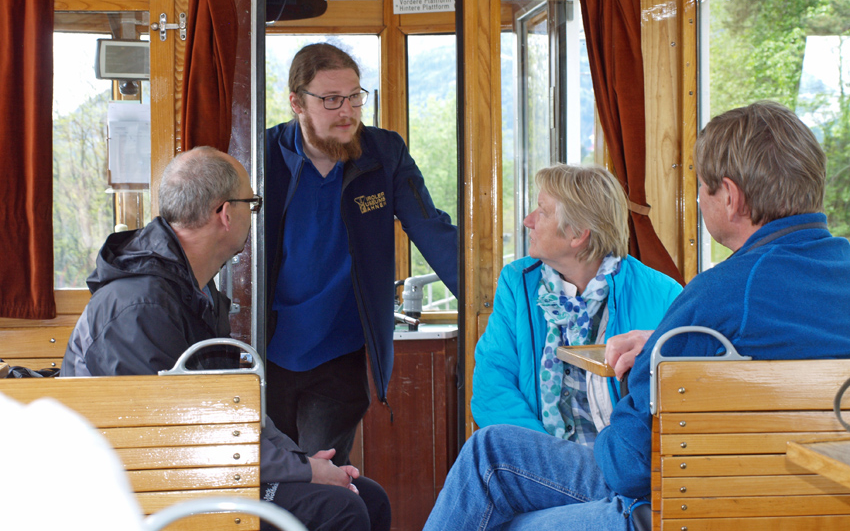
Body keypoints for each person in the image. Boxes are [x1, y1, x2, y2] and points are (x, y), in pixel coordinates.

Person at [422, 100, 850, 531]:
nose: (699, 200)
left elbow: (628, 464)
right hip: (815, 505)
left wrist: (649, 364)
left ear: (731, 197)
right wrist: (664, 345)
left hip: (690, 507)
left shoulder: (718, 295)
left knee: (489, 455)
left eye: (702, 188)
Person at [62, 146, 390, 531]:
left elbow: (230, 409)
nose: (253, 217)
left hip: (201, 465)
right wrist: (302, 471)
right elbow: (172, 437)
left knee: (366, 496)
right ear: (225, 213)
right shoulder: (141, 307)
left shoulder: (194, 292)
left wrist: (302, 463)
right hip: (152, 488)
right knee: (340, 509)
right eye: (252, 204)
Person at [265, 43, 459, 466]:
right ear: (296, 102)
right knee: (271, 485)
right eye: (331, 99)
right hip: (267, 351)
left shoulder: (383, 154)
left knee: (326, 484)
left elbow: (432, 229)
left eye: (354, 96)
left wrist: (497, 301)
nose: (348, 111)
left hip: (341, 352)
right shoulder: (260, 157)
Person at [471, 164, 681, 441]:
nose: (528, 220)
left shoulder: (664, 294)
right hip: (538, 460)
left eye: (542, 211)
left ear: (578, 233)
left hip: (624, 466)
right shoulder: (516, 283)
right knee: (481, 448)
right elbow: (492, 387)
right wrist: (546, 460)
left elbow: (680, 401)